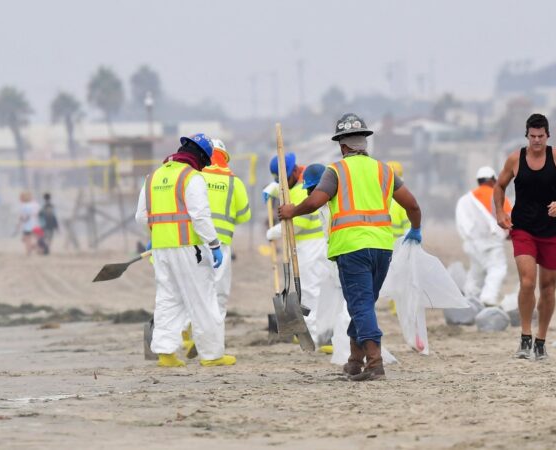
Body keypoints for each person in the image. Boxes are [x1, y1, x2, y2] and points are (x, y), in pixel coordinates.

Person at [279, 113, 422, 381]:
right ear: (364, 143)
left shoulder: (336, 171)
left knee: (361, 305)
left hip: (351, 247)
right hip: (382, 247)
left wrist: (291, 210)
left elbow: (314, 202)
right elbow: (412, 205)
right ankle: (355, 360)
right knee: (364, 303)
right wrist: (415, 229)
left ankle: (375, 361)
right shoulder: (384, 170)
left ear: (343, 146)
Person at [135, 133, 235, 368]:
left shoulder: (153, 177)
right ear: (200, 155)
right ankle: (212, 355)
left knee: (168, 300)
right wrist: (214, 245)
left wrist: (160, 231)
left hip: (161, 250)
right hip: (190, 249)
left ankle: (165, 353)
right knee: (204, 300)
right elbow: (200, 216)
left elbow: (141, 217)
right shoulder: (192, 177)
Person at [493, 113, 556, 360]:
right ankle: (525, 337)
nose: (536, 141)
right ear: (527, 135)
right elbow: (499, 185)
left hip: (552, 232)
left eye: (540, 137)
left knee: (548, 288)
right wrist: (500, 211)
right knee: (526, 282)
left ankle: (541, 340)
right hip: (523, 228)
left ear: (547, 135)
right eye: (532, 136)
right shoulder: (515, 159)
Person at [175, 139, 252, 357]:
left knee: (194, 290)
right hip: (220, 246)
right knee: (217, 295)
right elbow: (245, 215)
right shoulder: (233, 181)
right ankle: (210, 344)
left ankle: (189, 331)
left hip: (192, 242)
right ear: (225, 157)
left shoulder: (194, 176)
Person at [266, 153, 331, 343]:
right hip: (316, 244)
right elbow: (286, 189)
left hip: (311, 247)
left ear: (294, 171)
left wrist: (272, 233)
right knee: (318, 288)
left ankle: (312, 333)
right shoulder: (301, 181)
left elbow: (298, 224)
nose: (282, 183)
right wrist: (274, 188)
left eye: (283, 179)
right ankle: (322, 332)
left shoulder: (303, 190)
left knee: (310, 289)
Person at [455, 166, 512, 306]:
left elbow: (461, 222)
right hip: (491, 243)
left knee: (476, 273)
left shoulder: (465, 199)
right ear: (493, 180)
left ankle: (469, 301)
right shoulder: (498, 196)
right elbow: (509, 219)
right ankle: (488, 298)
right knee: (497, 269)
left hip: (471, 244)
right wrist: (510, 234)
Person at [387, 161, 410, 239]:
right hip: (398, 248)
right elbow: (408, 229)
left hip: (381, 246)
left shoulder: (377, 199)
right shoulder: (403, 201)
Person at [17, 191, 44, 255]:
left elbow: (23, 217)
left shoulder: (23, 206)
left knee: (27, 239)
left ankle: (29, 251)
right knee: (36, 238)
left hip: (27, 225)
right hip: (36, 224)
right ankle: (38, 248)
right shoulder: (35, 204)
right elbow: (39, 213)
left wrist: (19, 224)